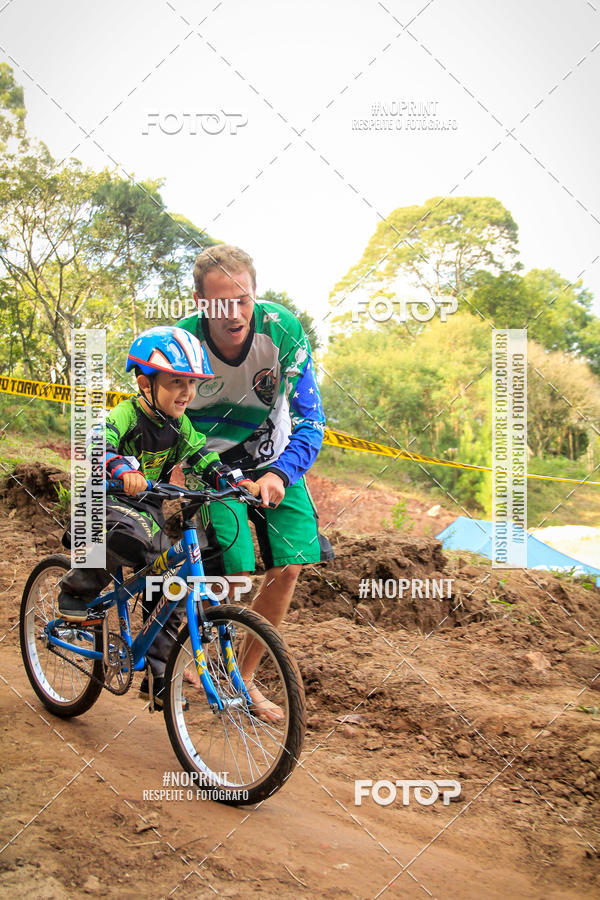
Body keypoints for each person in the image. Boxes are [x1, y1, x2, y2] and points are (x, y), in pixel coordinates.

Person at [58, 325, 259, 708]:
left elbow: (203, 455)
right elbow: (96, 440)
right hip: (103, 502)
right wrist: (120, 468)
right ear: (145, 384)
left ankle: (159, 672)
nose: (187, 393)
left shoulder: (179, 425)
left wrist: (234, 481)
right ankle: (77, 588)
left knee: (171, 580)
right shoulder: (127, 414)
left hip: (146, 507)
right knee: (129, 539)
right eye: (176, 382)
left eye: (192, 384)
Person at [178, 244, 334, 719]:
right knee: (238, 568)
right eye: (221, 304)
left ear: (255, 295)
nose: (234, 314)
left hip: (276, 456)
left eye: (242, 300)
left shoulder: (281, 329)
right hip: (211, 463)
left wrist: (280, 473)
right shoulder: (183, 340)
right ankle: (196, 651)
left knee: (288, 567)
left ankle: (242, 677)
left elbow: (313, 420)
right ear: (202, 304)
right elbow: (160, 409)